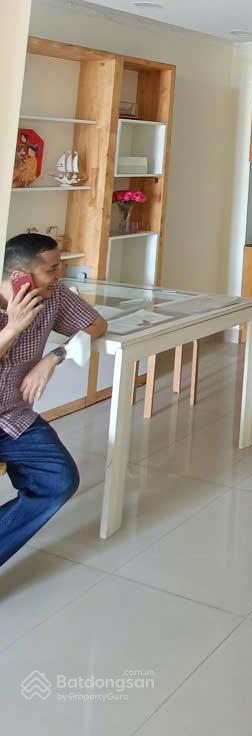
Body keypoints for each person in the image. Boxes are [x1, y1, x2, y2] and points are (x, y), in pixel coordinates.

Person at [0, 232, 107, 567]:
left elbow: (96, 325)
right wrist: (13, 328)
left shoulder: (54, 296)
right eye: (51, 269)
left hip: (13, 416)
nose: (59, 275)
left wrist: (53, 357)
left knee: (59, 481)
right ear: (20, 276)